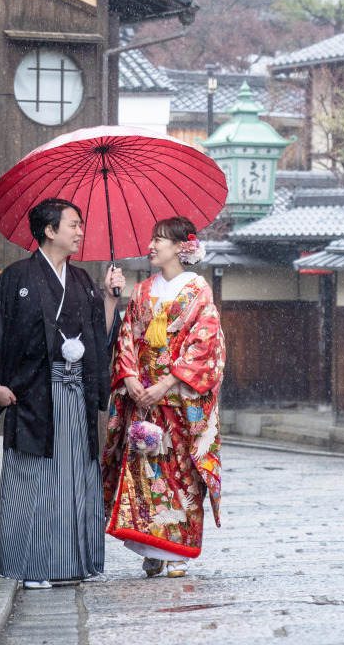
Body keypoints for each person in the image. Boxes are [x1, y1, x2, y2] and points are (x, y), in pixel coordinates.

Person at [0, 198, 124, 588]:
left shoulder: (85, 280)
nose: (80, 232)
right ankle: (33, 566)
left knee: (75, 478)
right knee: (35, 477)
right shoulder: (16, 277)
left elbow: (99, 335)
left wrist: (110, 298)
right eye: (73, 225)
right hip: (33, 394)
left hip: (74, 394)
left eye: (81, 224)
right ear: (50, 231)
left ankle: (73, 562)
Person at [101, 216, 224, 579]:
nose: (151, 246)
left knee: (181, 473)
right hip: (144, 401)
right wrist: (132, 378)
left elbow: (205, 345)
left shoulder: (199, 293)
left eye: (159, 240)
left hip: (179, 403)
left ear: (181, 247)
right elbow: (127, 339)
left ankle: (176, 549)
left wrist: (168, 381)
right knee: (145, 471)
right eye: (152, 239)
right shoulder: (140, 292)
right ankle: (150, 547)